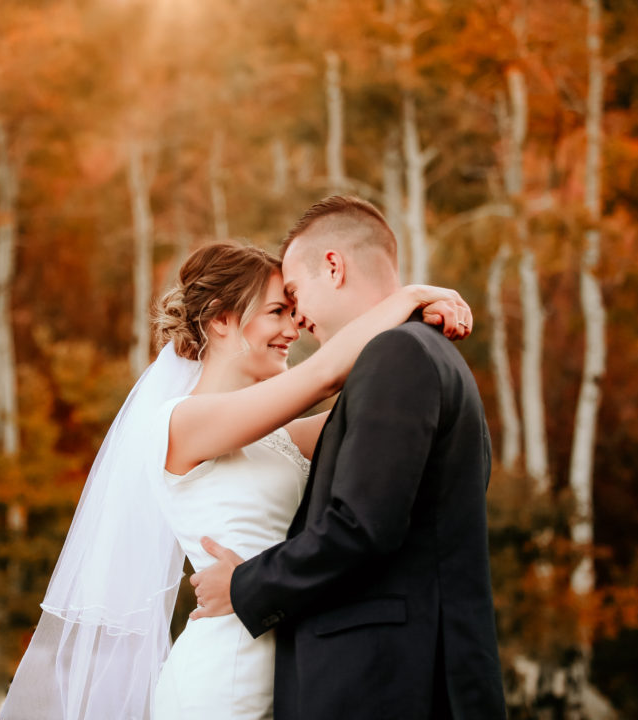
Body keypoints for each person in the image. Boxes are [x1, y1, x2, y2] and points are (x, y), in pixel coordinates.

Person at [0, 239, 473, 720]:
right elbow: (328, 375)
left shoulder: (282, 435)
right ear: (221, 320)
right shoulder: (180, 424)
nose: (294, 328)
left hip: (289, 669)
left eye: (293, 312)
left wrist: (419, 333)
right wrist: (409, 297)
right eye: (276, 312)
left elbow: (370, 395)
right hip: (222, 681)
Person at [190, 196, 507, 719]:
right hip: (406, 671)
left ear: (333, 266)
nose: (298, 320)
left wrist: (244, 585)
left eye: (293, 294)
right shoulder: (426, 356)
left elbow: (360, 525)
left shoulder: (398, 354)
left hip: (384, 681)